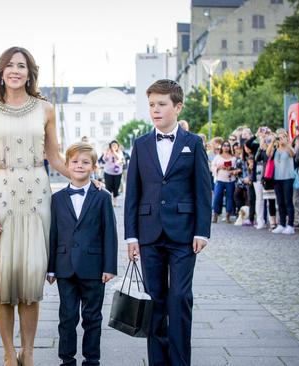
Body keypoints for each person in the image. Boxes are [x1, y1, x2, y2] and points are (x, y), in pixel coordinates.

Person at [0, 46, 70, 366]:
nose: (15, 70)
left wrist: (84, 177)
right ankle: (6, 352)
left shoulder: (45, 109)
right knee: (3, 280)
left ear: (30, 73)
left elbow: (55, 157)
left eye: (22, 65)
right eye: (10, 65)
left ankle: (27, 352)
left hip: (37, 197)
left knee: (30, 278)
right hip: (1, 195)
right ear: (0, 72)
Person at [124, 79, 211, 366]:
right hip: (149, 234)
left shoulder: (193, 143)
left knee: (181, 297)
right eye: (151, 105)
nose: (155, 110)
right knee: (155, 302)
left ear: (177, 107)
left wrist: (202, 230)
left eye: (161, 104)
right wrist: (131, 236)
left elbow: (202, 189)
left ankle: (180, 361)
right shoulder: (141, 144)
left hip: (184, 234)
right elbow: (133, 193)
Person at [46, 142, 117, 366]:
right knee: (67, 317)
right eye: (74, 162)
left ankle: (92, 359)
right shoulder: (57, 199)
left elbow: (110, 233)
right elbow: (53, 234)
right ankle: (66, 360)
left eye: (85, 162)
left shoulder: (103, 196)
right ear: (67, 165)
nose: (79, 165)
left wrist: (109, 266)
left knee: (92, 317)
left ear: (94, 167)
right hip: (64, 266)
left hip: (94, 267)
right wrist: (50, 267)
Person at [267, 129, 296, 234]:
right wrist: (272, 141)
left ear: (287, 137)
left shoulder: (289, 148)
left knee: (288, 201)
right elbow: (268, 154)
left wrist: (286, 144)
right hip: (277, 179)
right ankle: (282, 224)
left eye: (283, 136)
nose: (281, 138)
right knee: (280, 202)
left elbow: (293, 154)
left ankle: (290, 225)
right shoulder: (275, 149)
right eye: (279, 136)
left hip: (287, 178)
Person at [211, 141, 238, 223]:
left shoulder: (233, 158)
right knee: (217, 197)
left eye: (228, 146)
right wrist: (218, 167)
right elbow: (212, 166)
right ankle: (215, 214)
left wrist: (231, 169)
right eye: (224, 145)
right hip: (220, 179)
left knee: (229, 197)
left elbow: (237, 168)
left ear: (230, 147)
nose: (226, 147)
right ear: (222, 147)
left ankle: (227, 216)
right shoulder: (217, 157)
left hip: (230, 180)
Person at [100, 140, 125, 206]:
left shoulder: (120, 152)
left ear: (117, 146)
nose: (114, 147)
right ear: (110, 146)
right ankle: (109, 202)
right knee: (108, 187)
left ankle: (115, 202)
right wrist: (106, 152)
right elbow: (104, 159)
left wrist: (114, 152)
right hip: (108, 172)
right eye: (112, 145)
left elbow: (119, 158)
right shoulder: (108, 152)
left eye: (115, 146)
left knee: (116, 187)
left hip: (117, 173)